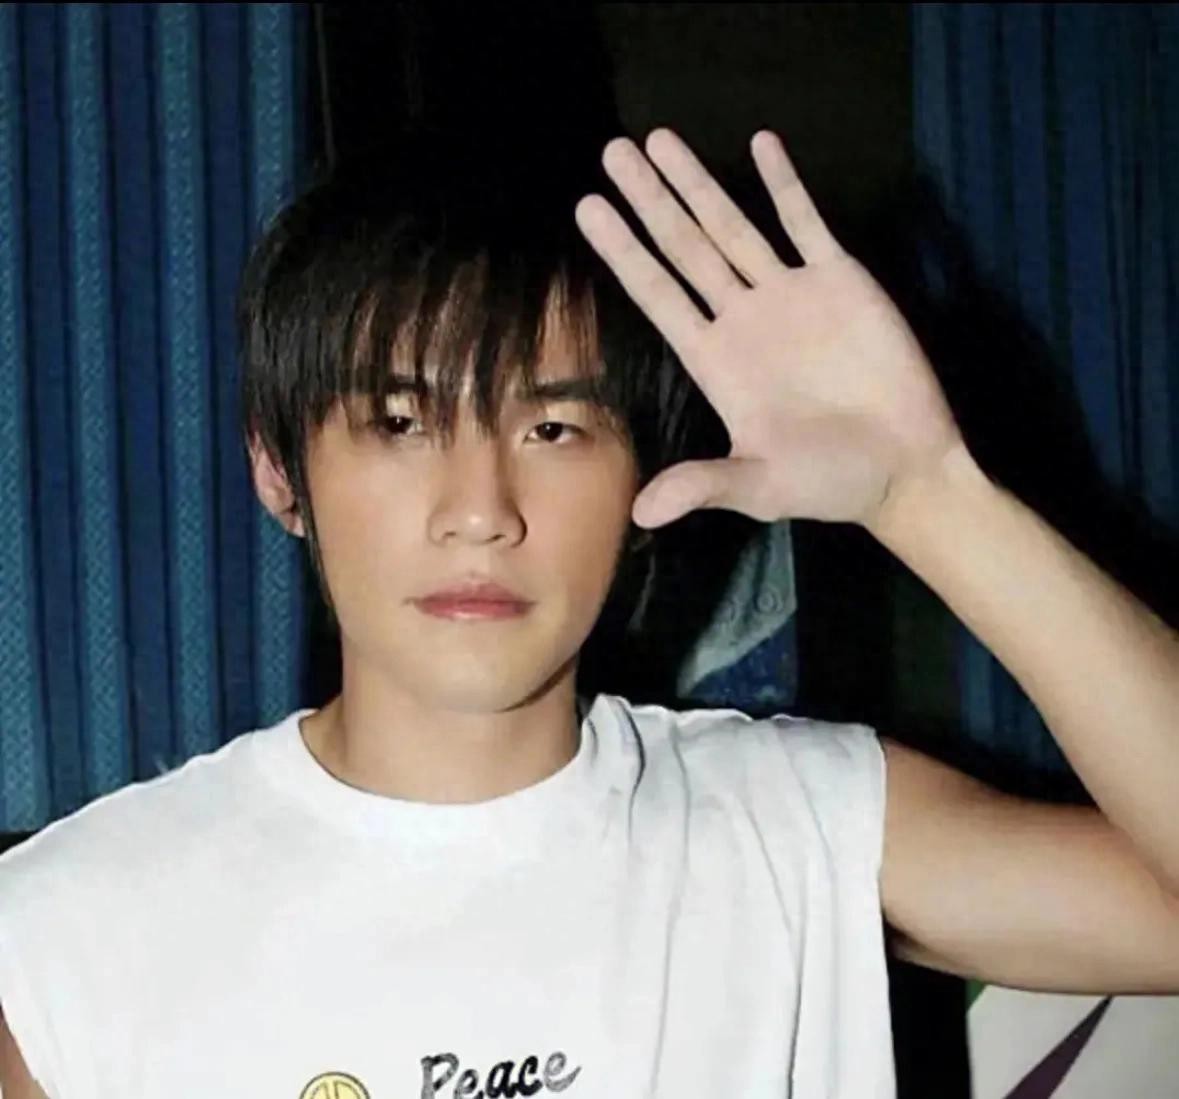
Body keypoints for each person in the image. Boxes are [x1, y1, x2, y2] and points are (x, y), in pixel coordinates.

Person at [1, 126, 1177, 1098]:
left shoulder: (795, 824)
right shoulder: (68, 931)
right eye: (401, 424)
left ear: (641, 474)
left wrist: (931, 496)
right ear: (277, 468)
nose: (481, 510)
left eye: (553, 428)